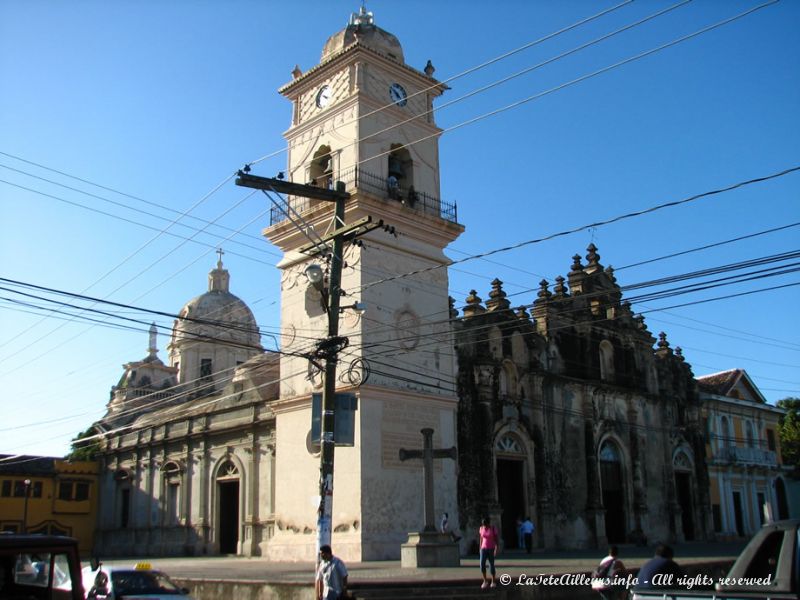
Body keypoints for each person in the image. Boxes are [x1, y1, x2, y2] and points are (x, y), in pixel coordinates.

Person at [478, 517, 499, 589]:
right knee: (482, 564)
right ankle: (485, 581)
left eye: (486, 525)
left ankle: (493, 581)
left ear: (488, 523)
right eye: (483, 525)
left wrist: (496, 548)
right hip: (483, 549)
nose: (485, 526)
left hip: (491, 548)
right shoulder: (481, 528)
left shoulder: (493, 528)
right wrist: (480, 548)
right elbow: (481, 538)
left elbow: (496, 539)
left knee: (491, 565)